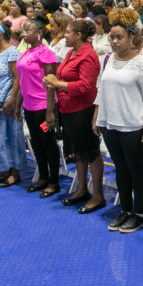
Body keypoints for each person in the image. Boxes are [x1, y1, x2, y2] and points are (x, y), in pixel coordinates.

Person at [95, 8, 143, 233]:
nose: (113, 41)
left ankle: (139, 213)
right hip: (111, 124)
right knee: (120, 168)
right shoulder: (108, 60)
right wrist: (98, 118)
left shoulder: (140, 63)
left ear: (131, 38)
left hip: (133, 125)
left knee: (135, 169)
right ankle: (125, 209)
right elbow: (101, 89)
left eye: (118, 37)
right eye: (111, 37)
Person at [45, 19, 104, 211]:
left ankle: (97, 195)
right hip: (68, 108)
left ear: (78, 36)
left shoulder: (88, 55)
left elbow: (86, 86)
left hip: (83, 110)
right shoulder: (72, 52)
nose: (65, 35)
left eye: (68, 32)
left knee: (90, 152)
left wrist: (57, 83)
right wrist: (55, 82)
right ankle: (81, 189)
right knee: (78, 152)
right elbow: (62, 77)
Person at [18, 15, 61, 196]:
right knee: (36, 143)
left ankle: (54, 181)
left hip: (43, 105)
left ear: (39, 33)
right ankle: (43, 176)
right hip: (29, 105)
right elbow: (21, 80)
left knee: (48, 143)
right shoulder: (26, 52)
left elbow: (51, 83)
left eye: (28, 31)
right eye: (23, 30)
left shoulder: (46, 53)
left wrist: (50, 111)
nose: (24, 34)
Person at [0, 21, 26, 188]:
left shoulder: (12, 52)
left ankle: (15, 172)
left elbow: (18, 78)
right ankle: (5, 167)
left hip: (6, 101)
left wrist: (11, 101)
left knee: (11, 136)